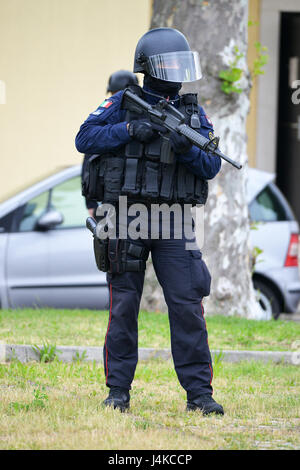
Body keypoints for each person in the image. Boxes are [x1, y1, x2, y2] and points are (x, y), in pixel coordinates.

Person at [75, 28, 224, 416]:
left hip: (174, 221)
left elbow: (210, 166)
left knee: (187, 305)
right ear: (148, 68)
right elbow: (84, 137)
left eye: (180, 65)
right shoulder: (124, 103)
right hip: (125, 218)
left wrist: (186, 149)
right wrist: (127, 130)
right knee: (123, 306)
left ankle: (200, 397)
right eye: (168, 65)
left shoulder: (192, 113)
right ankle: (118, 393)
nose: (175, 72)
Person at [82, 70, 138, 217]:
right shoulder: (107, 118)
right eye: (113, 93)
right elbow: (89, 161)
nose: (114, 98)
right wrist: (91, 203)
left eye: (116, 93)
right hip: (111, 197)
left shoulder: (141, 117)